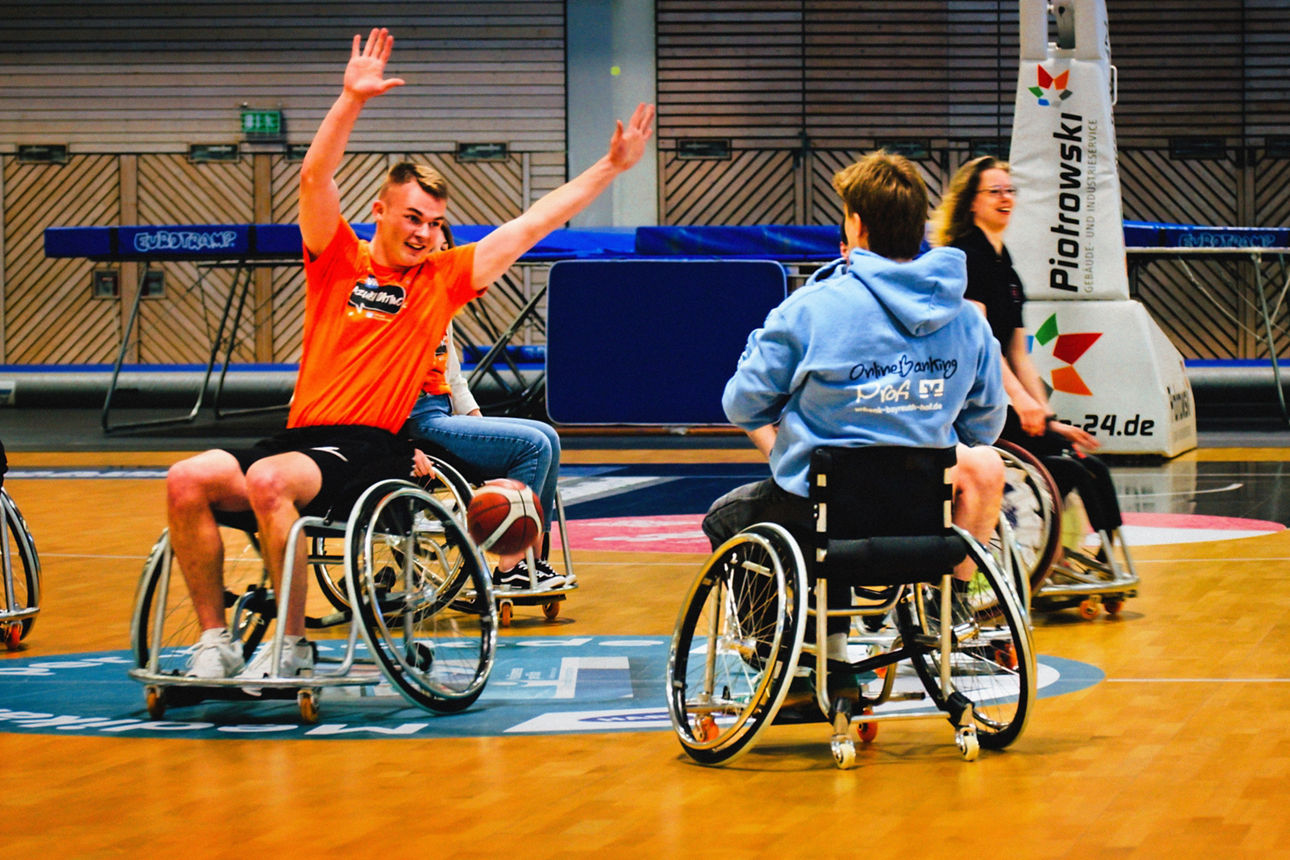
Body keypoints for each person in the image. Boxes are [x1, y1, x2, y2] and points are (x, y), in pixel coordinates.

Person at [166, 27, 653, 681]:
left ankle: (293, 647)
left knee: (269, 482)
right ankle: (215, 642)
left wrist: (612, 168)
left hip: (370, 447)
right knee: (185, 479)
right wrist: (350, 100)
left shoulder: (443, 279)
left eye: (434, 222)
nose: (425, 232)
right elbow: (314, 176)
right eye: (413, 218)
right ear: (381, 212)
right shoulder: (336, 261)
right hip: (299, 440)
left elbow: (534, 222)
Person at [702, 149, 1007, 675]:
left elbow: (741, 403)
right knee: (844, 502)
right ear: (917, 227)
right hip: (923, 519)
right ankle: (932, 613)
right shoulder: (968, 321)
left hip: (822, 510)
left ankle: (792, 669)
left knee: (727, 518)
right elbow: (985, 426)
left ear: (857, 225)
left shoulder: (811, 308)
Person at [407, 223, 567, 591]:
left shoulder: (439, 306)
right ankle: (511, 566)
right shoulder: (405, 305)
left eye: (446, 248)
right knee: (532, 445)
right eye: (434, 248)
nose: (440, 254)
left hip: (441, 411)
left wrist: (481, 424)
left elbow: (455, 379)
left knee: (547, 435)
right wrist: (402, 443)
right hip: (418, 418)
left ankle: (534, 561)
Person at [930, 156, 1099, 456]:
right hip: (970, 408)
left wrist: (1046, 417)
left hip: (999, 400)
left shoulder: (1007, 270)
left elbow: (1018, 354)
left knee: (1076, 460)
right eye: (995, 191)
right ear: (971, 202)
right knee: (1078, 468)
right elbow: (983, 345)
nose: (1005, 198)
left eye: (1010, 191)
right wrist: (1021, 402)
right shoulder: (965, 259)